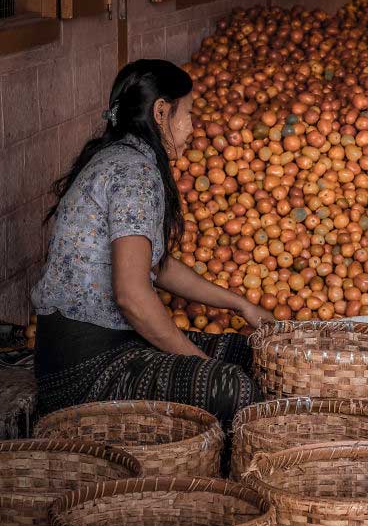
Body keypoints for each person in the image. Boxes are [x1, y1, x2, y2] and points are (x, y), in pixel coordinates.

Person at [32, 59, 273, 425]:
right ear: (162, 111)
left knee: (249, 353)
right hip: (85, 368)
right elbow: (131, 293)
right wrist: (196, 362)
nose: (192, 127)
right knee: (232, 387)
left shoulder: (126, 158)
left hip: (113, 345)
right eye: (189, 113)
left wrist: (240, 305)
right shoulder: (134, 172)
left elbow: (156, 266)